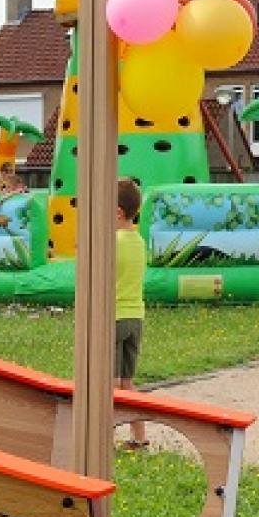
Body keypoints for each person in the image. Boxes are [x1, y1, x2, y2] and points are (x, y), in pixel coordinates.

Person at [115, 178, 149, 450]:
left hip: (113, 317)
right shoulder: (138, 240)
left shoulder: (112, 242)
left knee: (110, 384)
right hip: (135, 316)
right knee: (127, 381)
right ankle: (140, 437)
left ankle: (103, 437)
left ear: (117, 212)